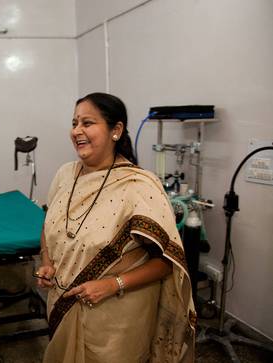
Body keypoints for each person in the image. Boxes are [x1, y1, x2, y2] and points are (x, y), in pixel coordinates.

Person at [35, 92, 195, 362]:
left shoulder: (139, 186)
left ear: (116, 130)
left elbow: (168, 261)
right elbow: (49, 228)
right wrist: (47, 261)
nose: (77, 131)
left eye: (87, 123)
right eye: (74, 123)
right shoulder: (65, 174)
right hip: (63, 305)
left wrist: (113, 284)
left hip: (115, 323)